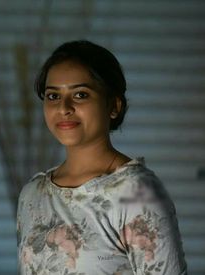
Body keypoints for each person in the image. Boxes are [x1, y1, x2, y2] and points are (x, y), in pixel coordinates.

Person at [17, 40, 187, 274]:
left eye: (80, 94)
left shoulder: (137, 194)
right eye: (53, 96)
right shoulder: (32, 195)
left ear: (114, 105)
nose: (64, 108)